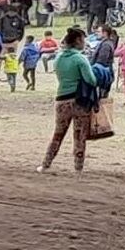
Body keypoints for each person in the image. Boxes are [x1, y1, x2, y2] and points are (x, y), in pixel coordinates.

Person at [39, 27, 97, 173]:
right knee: (79, 136)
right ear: (78, 41)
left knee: (58, 134)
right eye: (83, 40)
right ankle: (78, 167)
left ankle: (46, 163)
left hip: (61, 99)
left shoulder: (58, 57)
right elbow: (91, 80)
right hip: (78, 101)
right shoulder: (80, 58)